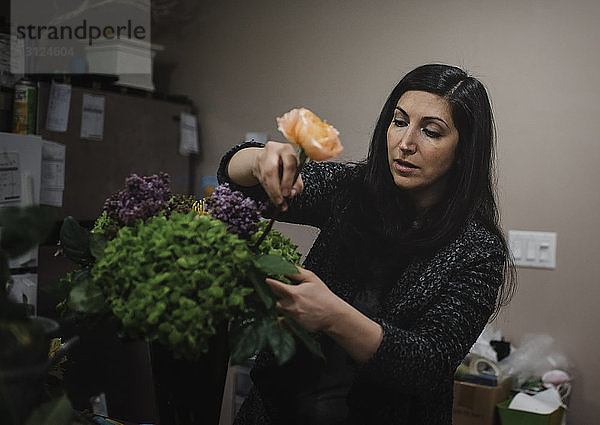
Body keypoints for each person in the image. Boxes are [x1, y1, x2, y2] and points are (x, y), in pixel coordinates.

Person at [217, 64, 516, 425]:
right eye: (399, 121)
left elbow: (426, 365)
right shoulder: (354, 191)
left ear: (463, 150)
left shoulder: (477, 249)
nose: (405, 144)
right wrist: (260, 159)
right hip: (276, 411)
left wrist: (332, 315)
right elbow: (238, 186)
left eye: (431, 132)